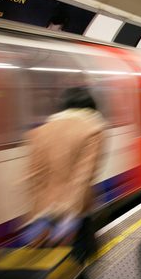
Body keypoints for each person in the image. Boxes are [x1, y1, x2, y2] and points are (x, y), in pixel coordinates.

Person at [20, 87, 106, 260]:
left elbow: (32, 177)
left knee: (51, 271)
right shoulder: (92, 130)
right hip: (74, 215)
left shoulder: (41, 131)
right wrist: (69, 217)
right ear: (91, 107)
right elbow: (82, 178)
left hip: (43, 214)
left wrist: (34, 216)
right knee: (75, 270)